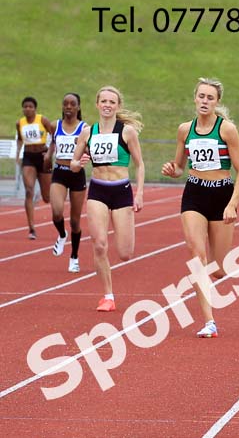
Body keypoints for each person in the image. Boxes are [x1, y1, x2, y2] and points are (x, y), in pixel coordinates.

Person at [161, 78, 239, 338]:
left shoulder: (227, 129)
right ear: (195, 98)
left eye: (210, 97)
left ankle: (217, 272)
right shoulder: (185, 130)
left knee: (219, 268)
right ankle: (209, 321)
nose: (205, 101)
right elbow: (179, 166)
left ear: (217, 101)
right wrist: (171, 171)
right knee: (197, 256)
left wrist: (232, 204)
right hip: (194, 194)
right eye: (201, 96)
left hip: (222, 195)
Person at [70, 87, 144, 311]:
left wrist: (139, 193)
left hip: (121, 190)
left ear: (118, 106)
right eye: (103, 101)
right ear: (97, 104)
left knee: (125, 253)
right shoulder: (87, 133)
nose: (107, 105)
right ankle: (108, 296)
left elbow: (140, 165)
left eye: (112, 101)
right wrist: (79, 162)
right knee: (99, 245)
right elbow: (72, 164)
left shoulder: (127, 132)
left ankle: (125, 241)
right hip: (98, 191)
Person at [50, 93, 89, 272]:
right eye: (65, 103)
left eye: (72, 104)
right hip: (59, 172)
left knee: (75, 221)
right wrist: (47, 155)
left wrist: (85, 152)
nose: (68, 107)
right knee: (57, 212)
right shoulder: (55, 125)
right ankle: (61, 234)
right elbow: (52, 144)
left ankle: (74, 256)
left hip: (77, 174)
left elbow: (89, 149)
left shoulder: (84, 128)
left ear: (78, 107)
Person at [15, 96, 54, 239]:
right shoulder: (20, 123)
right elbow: (19, 139)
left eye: (30, 106)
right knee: (28, 190)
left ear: (35, 108)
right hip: (29, 157)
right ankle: (31, 228)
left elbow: (54, 135)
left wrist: (50, 153)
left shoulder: (42, 120)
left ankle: (41, 195)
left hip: (43, 157)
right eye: (25, 106)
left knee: (47, 197)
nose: (27, 109)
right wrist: (18, 154)